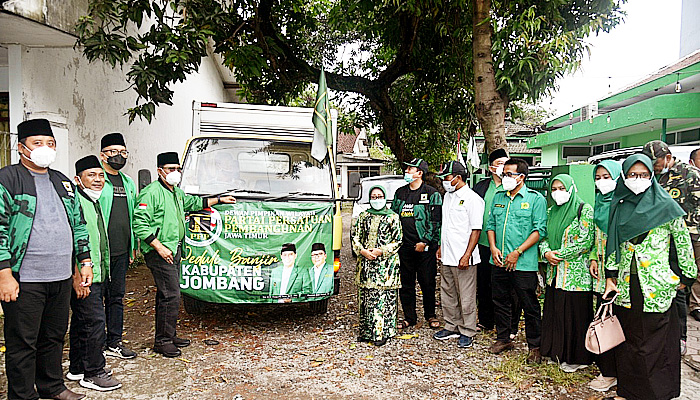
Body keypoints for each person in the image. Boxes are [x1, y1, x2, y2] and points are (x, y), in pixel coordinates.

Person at [0, 119, 91, 400]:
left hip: (60, 276)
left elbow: (78, 224)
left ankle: (52, 386)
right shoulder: (8, 179)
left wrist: (83, 264)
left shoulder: (62, 181)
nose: (45, 149)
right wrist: (4, 273)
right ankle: (23, 395)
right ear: (21, 148)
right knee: (22, 343)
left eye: (50, 144)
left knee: (53, 336)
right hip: (24, 278)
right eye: (38, 143)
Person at [603, 154, 697, 400]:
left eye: (643, 175)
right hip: (626, 284)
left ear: (652, 176)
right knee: (629, 339)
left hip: (657, 285)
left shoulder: (666, 205)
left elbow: (683, 243)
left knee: (655, 342)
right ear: (624, 177)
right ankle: (629, 391)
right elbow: (613, 245)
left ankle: (655, 393)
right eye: (632, 175)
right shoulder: (620, 204)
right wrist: (610, 276)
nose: (638, 179)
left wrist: (685, 277)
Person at [133, 152, 236, 358]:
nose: (175, 173)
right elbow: (139, 223)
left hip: (174, 248)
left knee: (171, 294)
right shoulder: (150, 193)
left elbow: (194, 203)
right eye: (171, 169)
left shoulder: (176, 192)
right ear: (160, 171)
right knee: (170, 294)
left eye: (178, 169)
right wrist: (159, 247)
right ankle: (162, 341)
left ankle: (169, 335)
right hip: (160, 252)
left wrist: (219, 200)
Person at [69, 156, 122, 392]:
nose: (98, 180)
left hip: (98, 273)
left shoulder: (94, 201)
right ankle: (94, 372)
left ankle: (77, 367)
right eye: (91, 175)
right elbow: (71, 241)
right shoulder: (75, 203)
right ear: (77, 179)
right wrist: (76, 274)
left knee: (83, 321)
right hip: (84, 274)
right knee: (95, 322)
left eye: (100, 175)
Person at [486, 158, 547, 363]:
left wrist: (518, 252)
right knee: (500, 301)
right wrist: (493, 247)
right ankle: (504, 338)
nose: (505, 178)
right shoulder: (498, 197)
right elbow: (491, 224)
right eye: (504, 174)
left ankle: (535, 346)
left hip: (523, 263)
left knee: (529, 304)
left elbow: (539, 231)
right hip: (499, 261)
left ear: (521, 177)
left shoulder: (535, 199)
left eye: (509, 174)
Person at [642, 140, 700, 355]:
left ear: (668, 157)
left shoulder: (689, 175)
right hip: (656, 243)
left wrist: (692, 243)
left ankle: (680, 337)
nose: (655, 168)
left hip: (682, 241)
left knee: (678, 291)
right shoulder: (650, 176)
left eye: (656, 163)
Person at [539, 174, 594, 372]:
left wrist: (559, 254)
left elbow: (586, 242)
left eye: (562, 188)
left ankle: (576, 357)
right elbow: (543, 236)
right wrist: (546, 252)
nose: (557, 193)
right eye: (554, 189)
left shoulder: (583, 210)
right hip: (555, 274)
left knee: (574, 316)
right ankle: (556, 353)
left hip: (575, 276)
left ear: (571, 189)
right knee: (556, 314)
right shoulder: (552, 211)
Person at [433, 161, 484, 348]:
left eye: (447, 178)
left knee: (466, 294)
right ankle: (451, 325)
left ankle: (468, 330)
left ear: (458, 178)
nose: (444, 181)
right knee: (448, 292)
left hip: (464, 257)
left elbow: (476, 230)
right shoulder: (448, 196)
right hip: (447, 254)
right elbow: (446, 225)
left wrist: (467, 255)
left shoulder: (473, 199)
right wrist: (440, 246)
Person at [97, 132, 138, 360]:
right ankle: (97, 343)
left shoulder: (128, 182)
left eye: (123, 152)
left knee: (116, 297)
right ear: (103, 155)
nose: (119, 156)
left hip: (122, 250)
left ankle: (114, 341)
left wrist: (133, 246)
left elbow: (133, 216)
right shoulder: (97, 178)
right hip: (100, 251)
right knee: (96, 298)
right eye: (114, 152)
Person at [391, 158, 442, 330]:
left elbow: (436, 221)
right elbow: (393, 217)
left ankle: (430, 315)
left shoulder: (432, 193)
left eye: (410, 170)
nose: (407, 172)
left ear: (420, 173)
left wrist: (425, 241)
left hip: (425, 248)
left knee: (427, 282)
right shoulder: (400, 193)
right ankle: (409, 317)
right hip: (404, 247)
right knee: (406, 283)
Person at [352, 185, 402, 346]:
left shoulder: (392, 217)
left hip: (385, 267)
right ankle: (366, 332)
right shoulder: (363, 216)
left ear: (385, 198)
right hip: (366, 264)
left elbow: (398, 240)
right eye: (373, 197)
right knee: (365, 298)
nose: (376, 200)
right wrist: (362, 251)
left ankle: (382, 333)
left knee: (382, 299)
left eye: (379, 196)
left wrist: (381, 251)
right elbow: (355, 237)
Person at [587, 160, 622, 392]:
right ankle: (606, 367)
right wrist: (592, 257)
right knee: (602, 319)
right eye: (598, 177)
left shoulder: (623, 205)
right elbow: (596, 236)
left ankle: (613, 373)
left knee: (616, 322)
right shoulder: (599, 204)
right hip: (599, 271)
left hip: (618, 275)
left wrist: (615, 272)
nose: (602, 181)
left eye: (606, 176)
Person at [473, 149, 508, 331]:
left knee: (503, 284)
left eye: (505, 162)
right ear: (491, 167)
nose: (502, 167)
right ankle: (486, 320)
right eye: (499, 163)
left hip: (506, 243)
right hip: (484, 243)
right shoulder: (481, 187)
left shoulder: (511, 185)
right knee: (484, 282)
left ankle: (504, 322)